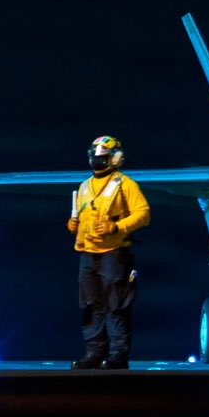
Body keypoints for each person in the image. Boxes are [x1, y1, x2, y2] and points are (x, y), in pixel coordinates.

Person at [66, 134, 150, 369]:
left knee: (116, 305)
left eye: (103, 155)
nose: (98, 159)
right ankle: (94, 352)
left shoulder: (125, 184)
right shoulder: (84, 186)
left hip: (114, 254)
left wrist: (117, 227)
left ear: (115, 158)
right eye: (95, 155)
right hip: (88, 253)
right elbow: (84, 214)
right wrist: (74, 225)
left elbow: (143, 214)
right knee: (90, 305)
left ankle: (117, 354)